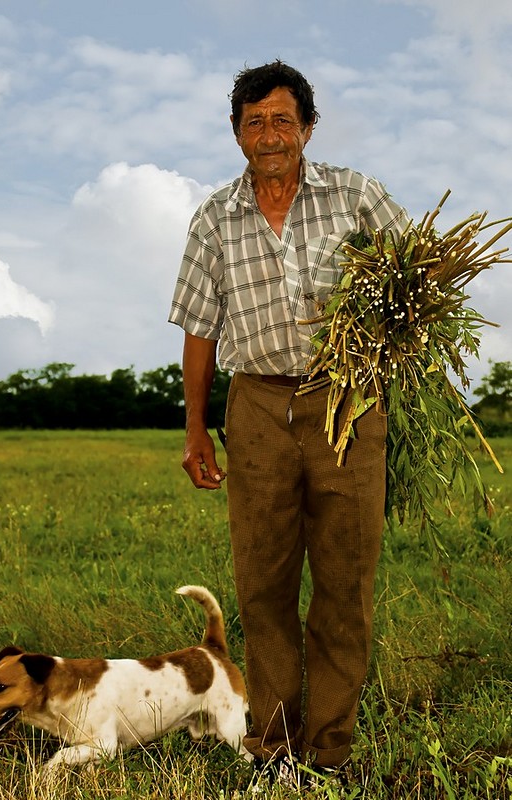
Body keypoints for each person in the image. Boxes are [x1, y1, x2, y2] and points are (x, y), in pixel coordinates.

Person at [169, 60, 409, 786]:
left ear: (306, 127)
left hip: (347, 406)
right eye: (253, 122)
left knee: (343, 583)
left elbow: (413, 274)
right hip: (257, 407)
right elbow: (199, 331)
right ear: (237, 135)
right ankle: (274, 751)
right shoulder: (215, 217)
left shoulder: (356, 195)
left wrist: (385, 352)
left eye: (281, 119)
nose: (268, 133)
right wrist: (195, 430)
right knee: (263, 584)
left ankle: (329, 753)